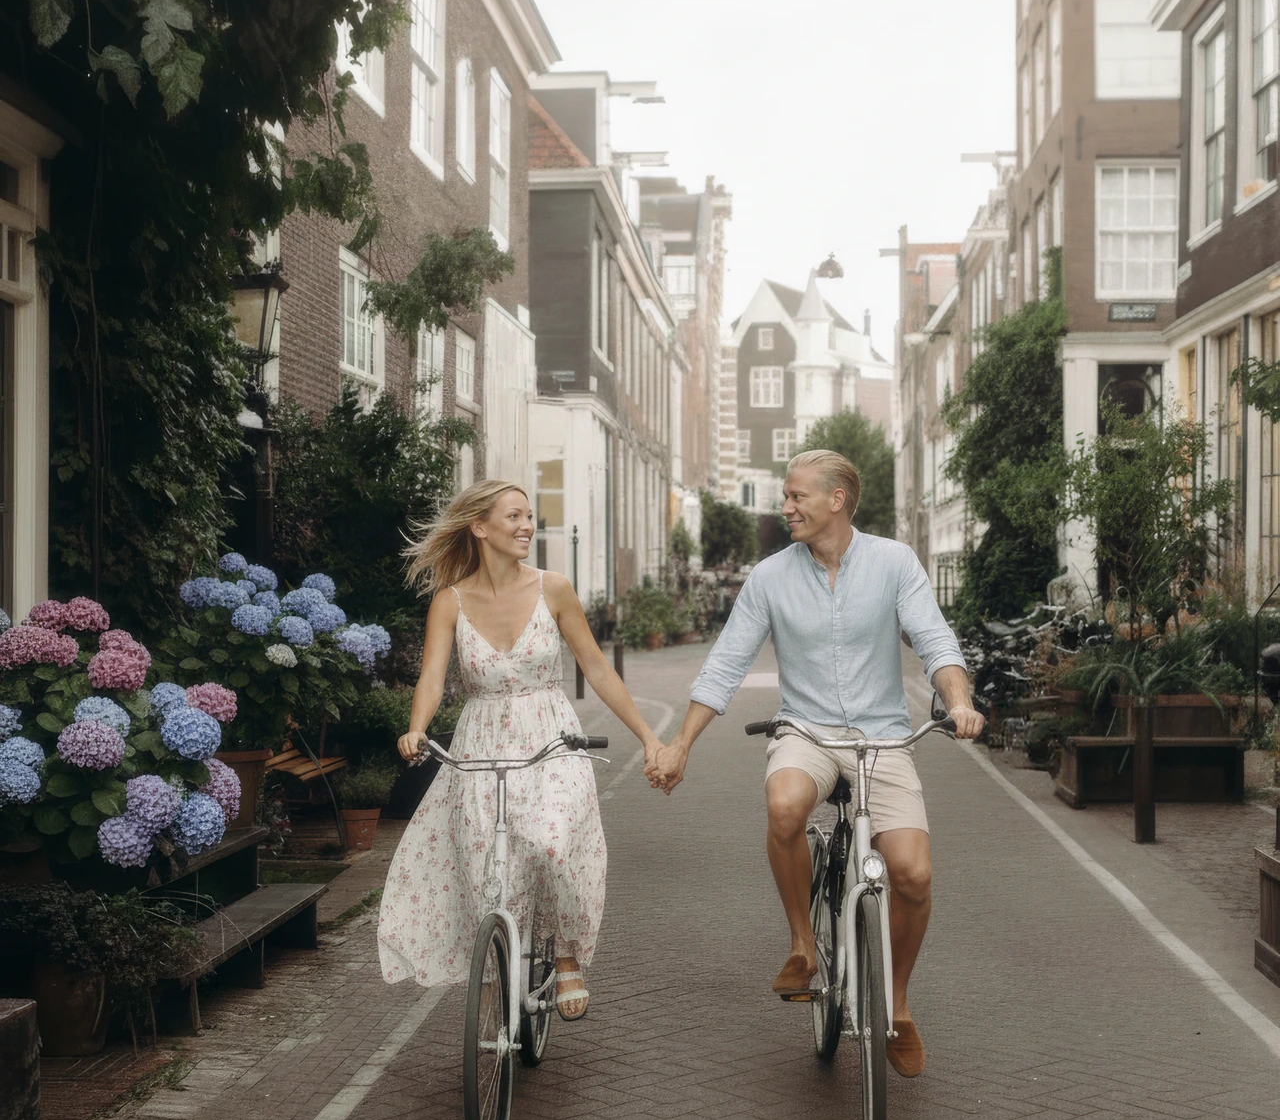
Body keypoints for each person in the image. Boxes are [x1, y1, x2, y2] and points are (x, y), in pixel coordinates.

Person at [646, 449, 983, 1076]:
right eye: (786, 495)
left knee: (912, 874)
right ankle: (803, 943)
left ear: (838, 499)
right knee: (785, 806)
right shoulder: (770, 576)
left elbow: (934, 639)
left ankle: (899, 1005)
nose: (786, 506)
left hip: (882, 734)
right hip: (804, 729)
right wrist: (681, 744)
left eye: (798, 496)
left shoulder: (894, 563)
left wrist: (958, 702)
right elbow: (725, 663)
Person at [378, 479, 661, 1018]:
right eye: (514, 516)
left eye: (530, 516)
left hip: (550, 736)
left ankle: (567, 954)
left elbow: (597, 668)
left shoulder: (553, 587)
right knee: (487, 864)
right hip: (481, 742)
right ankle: (493, 970)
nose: (527, 525)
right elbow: (433, 678)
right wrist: (416, 727)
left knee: (552, 842)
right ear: (479, 528)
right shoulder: (450, 601)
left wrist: (648, 738)